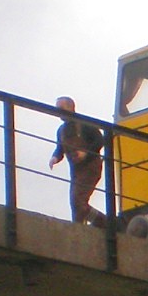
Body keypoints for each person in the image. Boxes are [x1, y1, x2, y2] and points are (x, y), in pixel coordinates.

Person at [51, 96, 106, 226]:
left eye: (61, 108)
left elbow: (100, 140)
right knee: (75, 203)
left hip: (90, 167)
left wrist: (85, 154)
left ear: (71, 107)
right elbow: (60, 149)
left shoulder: (85, 124)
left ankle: (105, 222)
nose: (58, 112)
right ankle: (80, 227)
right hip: (76, 171)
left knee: (77, 200)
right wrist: (55, 157)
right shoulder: (61, 131)